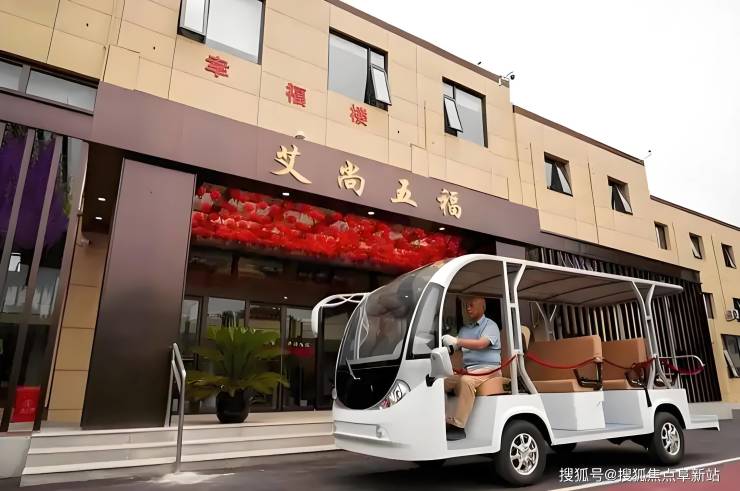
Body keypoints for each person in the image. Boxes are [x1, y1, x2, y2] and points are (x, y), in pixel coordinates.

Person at [441, 296, 501, 441]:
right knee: (440, 383)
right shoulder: (464, 329)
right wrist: (447, 345)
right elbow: (455, 347)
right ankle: (443, 420)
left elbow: (481, 344)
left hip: (489, 369)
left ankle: (458, 427)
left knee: (466, 381)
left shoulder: (490, 325)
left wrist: (457, 340)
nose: (468, 308)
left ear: (482, 307)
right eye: (466, 306)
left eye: (471, 305)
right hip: (469, 370)